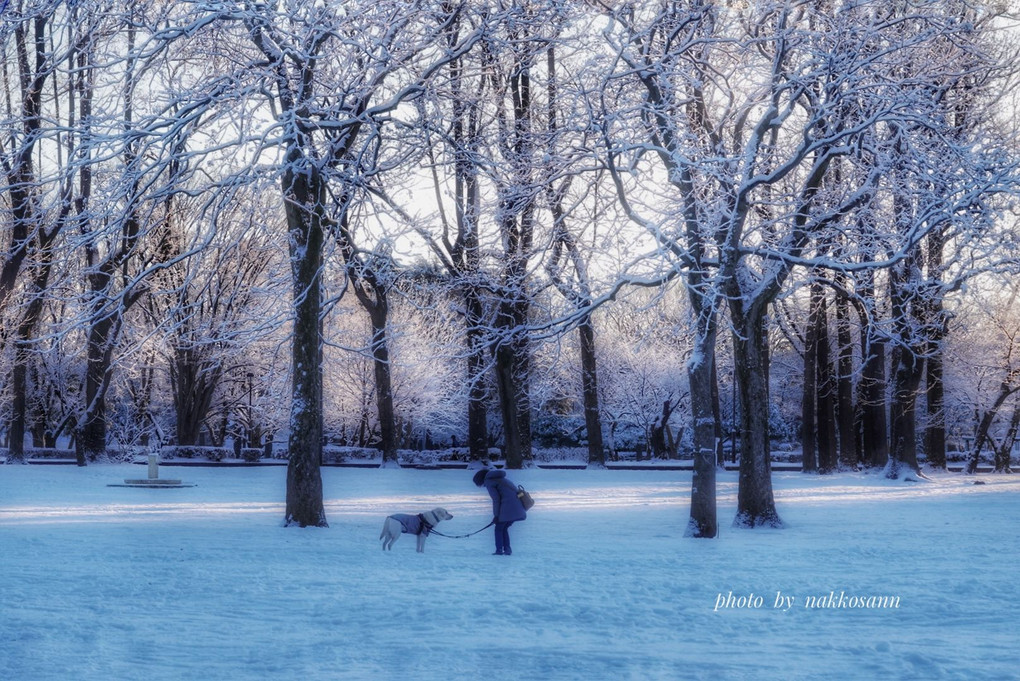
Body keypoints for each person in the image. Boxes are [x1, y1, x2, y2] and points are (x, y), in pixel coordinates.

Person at [473, 467, 526, 555]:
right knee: (503, 528)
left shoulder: (490, 482)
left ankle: (499, 550)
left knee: (499, 529)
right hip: (516, 507)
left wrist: (496, 516)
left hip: (507, 508)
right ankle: (507, 550)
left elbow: (496, 500)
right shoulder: (501, 479)